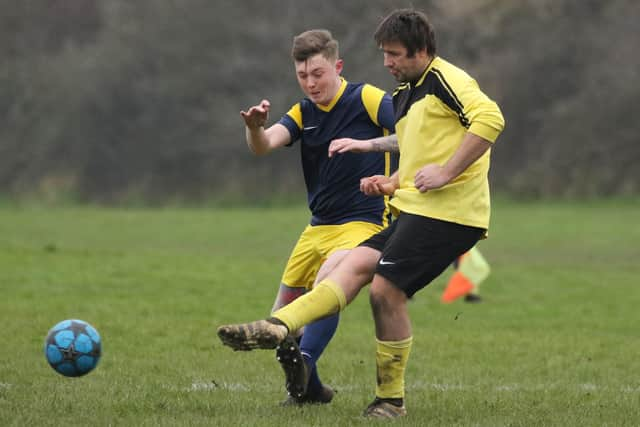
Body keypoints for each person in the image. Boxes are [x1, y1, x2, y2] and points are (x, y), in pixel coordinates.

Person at [218, 9, 505, 418]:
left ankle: (390, 400)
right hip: (409, 208)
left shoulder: (445, 79)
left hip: (450, 213)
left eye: (394, 54)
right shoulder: (407, 91)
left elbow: (490, 119)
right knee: (349, 266)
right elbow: (418, 149)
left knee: (383, 290)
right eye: (384, 54)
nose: (386, 62)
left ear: (420, 50)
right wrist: (390, 179)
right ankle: (277, 327)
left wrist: (446, 172)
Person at [237, 29, 396, 405]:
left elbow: (417, 131)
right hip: (317, 227)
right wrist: (254, 129)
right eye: (303, 76)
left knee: (326, 288)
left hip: (364, 221)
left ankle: (306, 363)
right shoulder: (302, 112)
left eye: (318, 74)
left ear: (337, 66)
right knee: (281, 323)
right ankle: (311, 391)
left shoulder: (367, 98)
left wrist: (372, 149)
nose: (311, 83)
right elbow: (264, 147)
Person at [329, 138, 492, 304]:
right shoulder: (408, 123)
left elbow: (486, 125)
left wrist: (369, 145)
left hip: (438, 203)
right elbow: (406, 137)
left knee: (421, 243)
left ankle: (467, 284)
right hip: (410, 195)